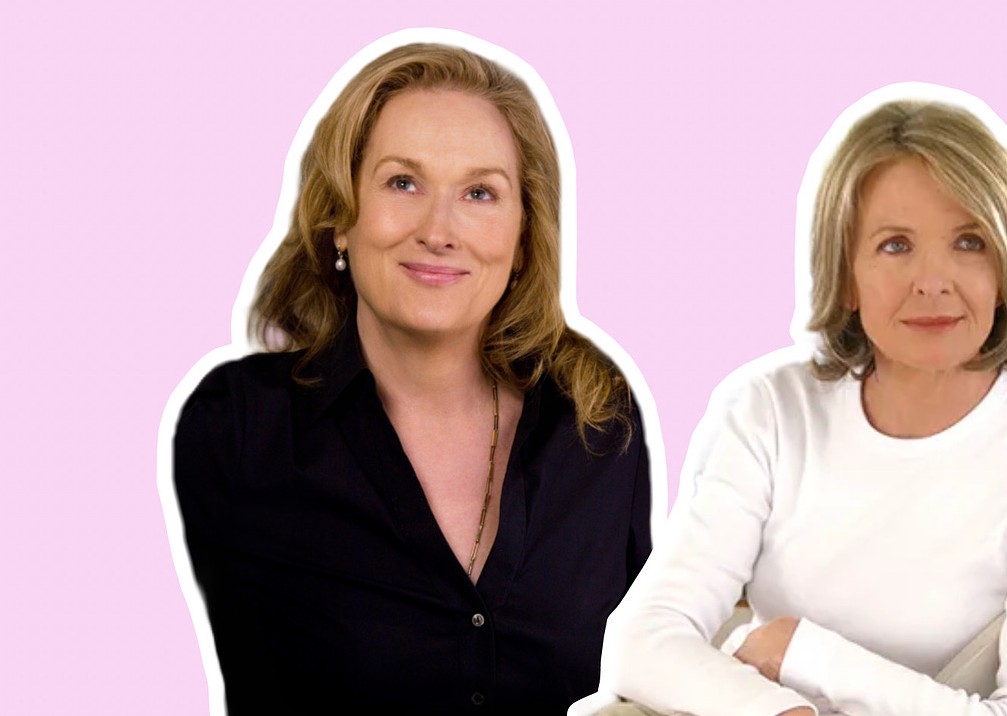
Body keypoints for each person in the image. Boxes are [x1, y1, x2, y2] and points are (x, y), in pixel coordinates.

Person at [596, 97, 1007, 716]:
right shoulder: (769, 409)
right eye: (895, 245)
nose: (933, 280)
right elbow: (642, 640)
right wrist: (785, 714)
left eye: (969, 241)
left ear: (1006, 267)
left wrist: (806, 653)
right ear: (846, 277)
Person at [173, 41, 652, 715]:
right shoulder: (240, 427)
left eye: (480, 192)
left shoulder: (597, 421)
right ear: (339, 215)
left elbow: (646, 669)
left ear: (522, 236)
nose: (439, 229)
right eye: (403, 182)